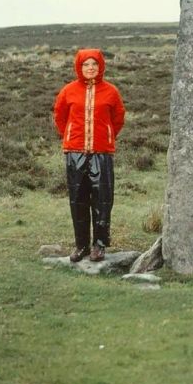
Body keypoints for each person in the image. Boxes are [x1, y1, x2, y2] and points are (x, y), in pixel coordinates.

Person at [53, 49, 125, 263]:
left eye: (94, 64)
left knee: (103, 200)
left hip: (101, 154)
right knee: (78, 200)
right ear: (79, 67)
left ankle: (99, 245)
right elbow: (60, 116)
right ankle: (81, 245)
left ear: (101, 66)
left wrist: (106, 136)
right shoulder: (68, 91)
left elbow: (118, 118)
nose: (90, 68)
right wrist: (71, 136)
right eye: (86, 64)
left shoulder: (111, 91)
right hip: (75, 153)